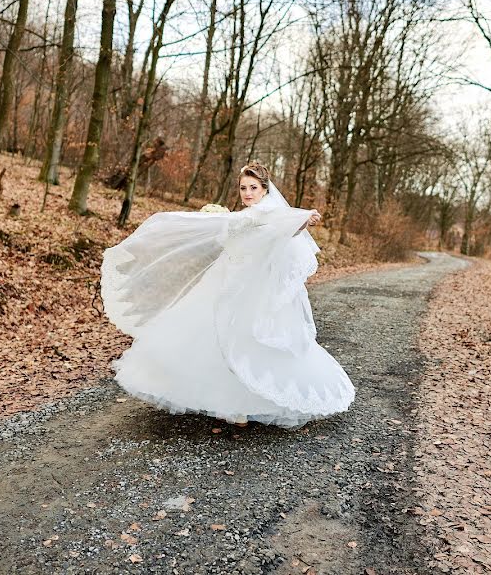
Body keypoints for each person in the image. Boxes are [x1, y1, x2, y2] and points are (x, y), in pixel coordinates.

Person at [100, 162, 355, 428]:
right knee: (209, 333)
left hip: (253, 285)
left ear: (265, 189)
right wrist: (216, 221)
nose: (247, 193)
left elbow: (285, 224)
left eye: (253, 188)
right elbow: (232, 238)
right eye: (243, 188)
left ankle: (243, 406)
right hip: (228, 277)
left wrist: (303, 218)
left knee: (243, 339)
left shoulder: (268, 211)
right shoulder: (247, 212)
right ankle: (225, 401)